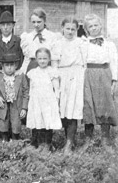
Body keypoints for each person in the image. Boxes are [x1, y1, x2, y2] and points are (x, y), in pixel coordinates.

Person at [82, 14, 118, 147]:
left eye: (96, 25)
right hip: (89, 74)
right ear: (86, 29)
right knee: (88, 104)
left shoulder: (109, 44)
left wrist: (115, 79)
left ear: (101, 26)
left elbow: (114, 62)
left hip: (104, 74)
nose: (94, 28)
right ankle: (88, 139)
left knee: (105, 105)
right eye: (90, 26)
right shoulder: (84, 44)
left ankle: (105, 138)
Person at [51, 17, 86, 154]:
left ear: (77, 30)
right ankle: (66, 139)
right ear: (62, 28)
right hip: (62, 76)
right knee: (63, 110)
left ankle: (69, 143)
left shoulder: (81, 43)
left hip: (77, 77)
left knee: (72, 110)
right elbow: (54, 65)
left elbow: (84, 63)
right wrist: (56, 83)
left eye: (73, 29)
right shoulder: (57, 44)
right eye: (67, 29)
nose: (70, 32)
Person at [26, 48, 62, 150]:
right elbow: (31, 88)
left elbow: (57, 89)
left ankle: (47, 143)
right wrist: (31, 101)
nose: (42, 61)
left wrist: (57, 102)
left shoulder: (52, 72)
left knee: (47, 121)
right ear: (36, 59)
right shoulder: (33, 72)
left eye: (45, 58)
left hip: (48, 102)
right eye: (40, 58)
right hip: (36, 101)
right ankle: (36, 142)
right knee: (37, 121)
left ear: (49, 59)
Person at [0, 53, 29, 141]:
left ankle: (15, 141)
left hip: (16, 104)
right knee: (3, 122)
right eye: (7, 65)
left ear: (16, 65)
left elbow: (26, 92)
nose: (9, 68)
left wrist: (24, 108)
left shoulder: (20, 76)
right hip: (4, 104)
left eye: (11, 65)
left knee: (16, 123)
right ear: (2, 66)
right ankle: (4, 140)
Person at [20, 8, 58, 74]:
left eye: (39, 22)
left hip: (46, 68)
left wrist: (54, 72)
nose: (36, 25)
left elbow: (54, 59)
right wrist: (23, 71)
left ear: (44, 21)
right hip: (32, 68)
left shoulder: (52, 37)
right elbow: (27, 58)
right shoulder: (27, 37)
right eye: (33, 22)